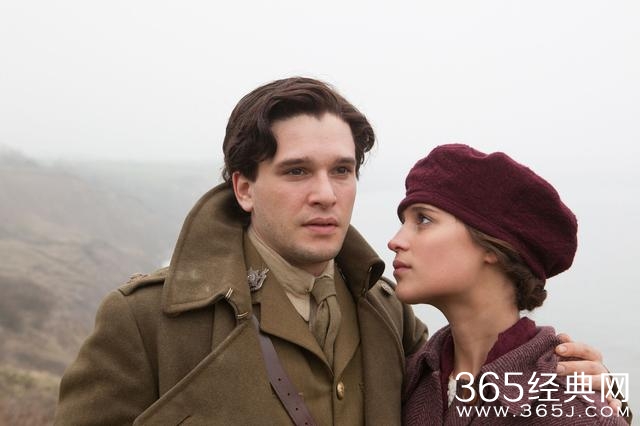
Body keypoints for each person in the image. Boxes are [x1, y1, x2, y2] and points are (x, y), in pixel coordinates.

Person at [55, 78, 610, 425]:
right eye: (297, 171)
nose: (325, 194)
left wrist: (594, 395)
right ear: (244, 188)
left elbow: (485, 377)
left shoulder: (390, 317)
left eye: (341, 171)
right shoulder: (145, 322)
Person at [389, 144, 629, 425]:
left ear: (492, 245)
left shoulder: (574, 411)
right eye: (404, 222)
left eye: (424, 219)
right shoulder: (406, 381)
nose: (395, 241)